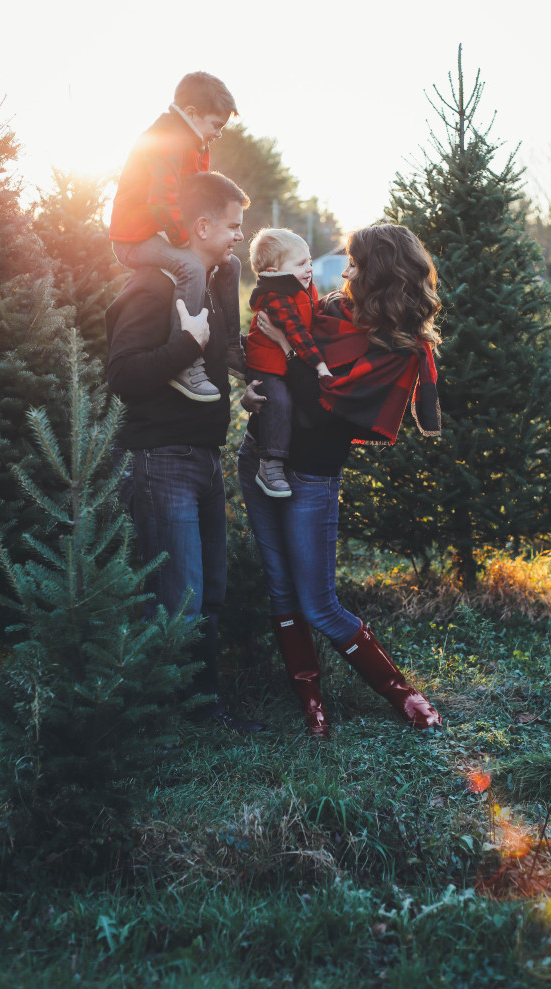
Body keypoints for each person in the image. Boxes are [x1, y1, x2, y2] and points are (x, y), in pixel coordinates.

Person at [238, 223, 443, 738]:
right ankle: (312, 705)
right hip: (260, 456)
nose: (344, 272)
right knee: (281, 590)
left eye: (354, 264)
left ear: (381, 274)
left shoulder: (397, 349)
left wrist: (288, 346)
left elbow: (319, 411)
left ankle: (401, 693)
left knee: (318, 603)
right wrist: (255, 389)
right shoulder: (327, 310)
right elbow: (268, 366)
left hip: (311, 476)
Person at [106, 171, 262, 734]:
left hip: (203, 458)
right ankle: (170, 721)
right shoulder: (150, 287)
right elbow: (123, 374)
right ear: (201, 226)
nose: (239, 237)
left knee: (207, 593)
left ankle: (204, 710)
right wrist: (184, 346)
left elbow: (211, 362)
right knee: (178, 597)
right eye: (232, 226)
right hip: (161, 460)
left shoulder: (212, 288)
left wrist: (244, 385)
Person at [109, 71, 245, 402]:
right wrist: (185, 239)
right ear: (192, 113)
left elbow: (196, 194)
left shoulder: (191, 143)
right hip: (134, 238)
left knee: (231, 264)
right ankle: (184, 360)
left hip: (160, 230)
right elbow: (163, 197)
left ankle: (230, 346)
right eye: (216, 124)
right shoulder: (166, 140)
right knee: (192, 268)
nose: (217, 133)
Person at [245, 228, 333, 498]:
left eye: (309, 261)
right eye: (300, 264)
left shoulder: (301, 287)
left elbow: (313, 315)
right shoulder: (276, 296)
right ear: (274, 271)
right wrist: (319, 365)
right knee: (279, 401)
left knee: (289, 400)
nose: (309, 269)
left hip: (284, 363)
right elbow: (297, 335)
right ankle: (270, 463)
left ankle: (264, 445)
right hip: (267, 366)